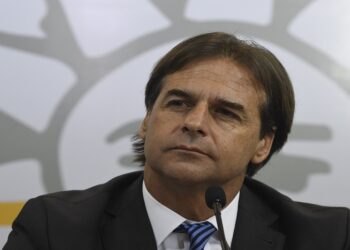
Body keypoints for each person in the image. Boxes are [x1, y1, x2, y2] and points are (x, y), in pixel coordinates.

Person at [4, 32, 349, 250]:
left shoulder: (330, 237)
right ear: (146, 121)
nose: (194, 122)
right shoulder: (55, 228)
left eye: (226, 113)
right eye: (178, 103)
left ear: (263, 143)